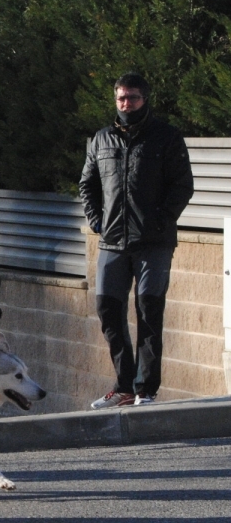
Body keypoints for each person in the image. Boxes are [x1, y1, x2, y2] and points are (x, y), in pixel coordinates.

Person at [79, 73, 194, 408]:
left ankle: (146, 390)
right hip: (112, 243)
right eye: (120, 98)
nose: (125, 104)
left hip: (153, 245)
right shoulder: (101, 139)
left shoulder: (167, 138)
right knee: (108, 310)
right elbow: (87, 184)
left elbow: (182, 186)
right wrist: (96, 220)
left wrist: (160, 221)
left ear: (146, 99)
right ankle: (124, 386)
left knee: (148, 311)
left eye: (132, 98)